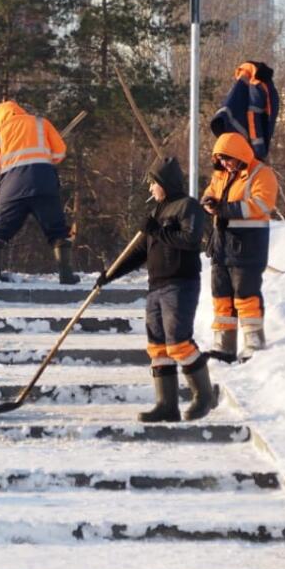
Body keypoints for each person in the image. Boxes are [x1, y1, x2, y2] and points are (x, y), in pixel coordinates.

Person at [97, 156, 216, 421]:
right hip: (156, 286)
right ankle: (166, 405)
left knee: (179, 343)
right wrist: (110, 274)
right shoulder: (157, 212)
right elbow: (139, 252)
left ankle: (205, 395)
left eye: (153, 184)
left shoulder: (189, 207)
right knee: (158, 347)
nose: (151, 189)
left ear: (164, 183)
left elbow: (190, 240)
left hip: (180, 284)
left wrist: (158, 230)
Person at [0, 100, 77, 284]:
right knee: (57, 230)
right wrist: (44, 161)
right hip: (45, 183)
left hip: (13, 189)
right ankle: (67, 276)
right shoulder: (40, 123)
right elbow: (60, 152)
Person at [201, 132, 279, 361]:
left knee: (245, 294)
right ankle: (223, 345)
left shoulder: (261, 174)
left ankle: (253, 342)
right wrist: (209, 202)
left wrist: (225, 209)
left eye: (227, 158)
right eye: (221, 159)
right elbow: (210, 192)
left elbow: (262, 204)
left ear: (239, 155)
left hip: (249, 244)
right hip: (222, 243)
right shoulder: (222, 175)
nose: (224, 163)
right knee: (221, 295)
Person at [210, 59, 279, 162]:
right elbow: (254, 117)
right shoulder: (261, 86)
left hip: (236, 144)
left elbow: (253, 115)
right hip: (247, 148)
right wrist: (259, 151)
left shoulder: (245, 82)